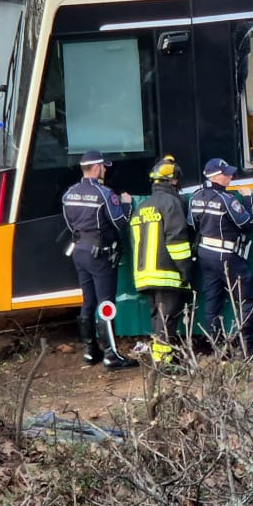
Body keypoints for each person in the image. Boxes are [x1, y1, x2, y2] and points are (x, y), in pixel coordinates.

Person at [61, 151, 133, 369]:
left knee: (88, 301)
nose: (105, 169)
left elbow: (70, 224)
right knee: (106, 304)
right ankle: (111, 354)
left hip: (79, 251)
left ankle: (90, 352)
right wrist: (127, 204)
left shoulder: (69, 194)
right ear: (96, 167)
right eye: (103, 166)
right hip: (99, 254)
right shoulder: (104, 193)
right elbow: (120, 222)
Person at [191, 158, 253, 361]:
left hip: (205, 253)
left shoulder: (195, 196)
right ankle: (247, 349)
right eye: (227, 174)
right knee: (250, 297)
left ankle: (217, 349)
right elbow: (247, 223)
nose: (231, 176)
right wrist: (249, 199)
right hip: (225, 255)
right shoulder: (226, 199)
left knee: (213, 302)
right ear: (215, 176)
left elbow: (191, 223)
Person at [128, 156, 191, 367]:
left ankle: (161, 358)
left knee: (158, 319)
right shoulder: (171, 203)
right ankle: (164, 364)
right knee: (167, 320)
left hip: (145, 275)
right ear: (172, 180)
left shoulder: (142, 206)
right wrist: (186, 270)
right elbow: (177, 239)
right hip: (167, 274)